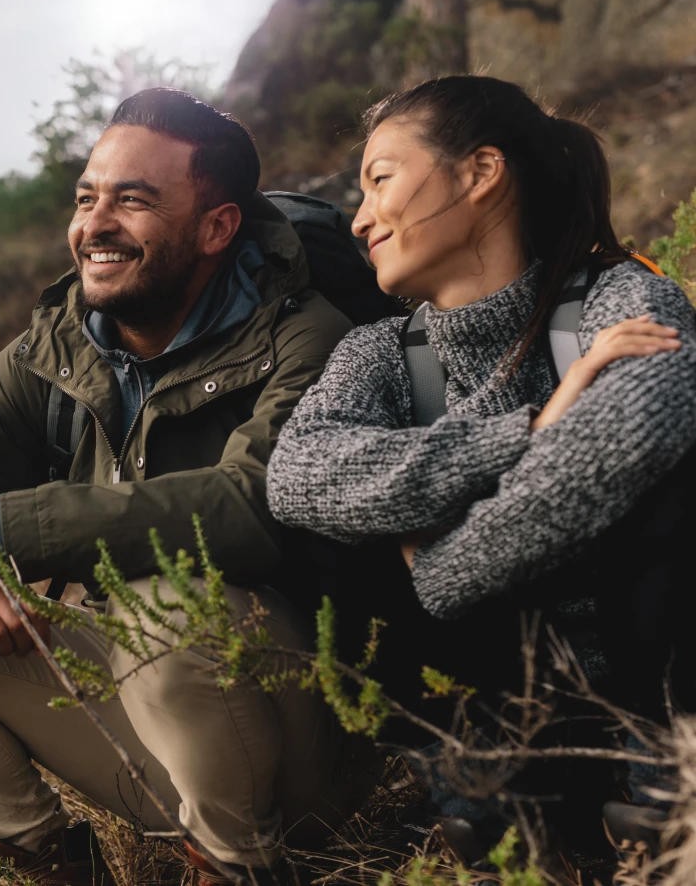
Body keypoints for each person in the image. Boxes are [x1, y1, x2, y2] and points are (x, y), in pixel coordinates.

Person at [0, 88, 376, 886]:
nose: (96, 224)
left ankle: (236, 866)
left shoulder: (306, 336)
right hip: (148, 737)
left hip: (305, 745)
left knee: (166, 603)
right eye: (88, 198)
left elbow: (254, 508)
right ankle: (49, 861)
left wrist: (9, 526)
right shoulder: (57, 348)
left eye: (134, 200)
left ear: (217, 227)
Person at [265, 74, 696, 854]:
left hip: (649, 680)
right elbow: (298, 474)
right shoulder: (376, 356)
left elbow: (637, 432)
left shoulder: (619, 294)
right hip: (500, 699)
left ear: (480, 172)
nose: (359, 218)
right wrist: (534, 424)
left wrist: (436, 565)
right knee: (323, 531)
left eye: (380, 180)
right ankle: (483, 789)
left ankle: (666, 777)